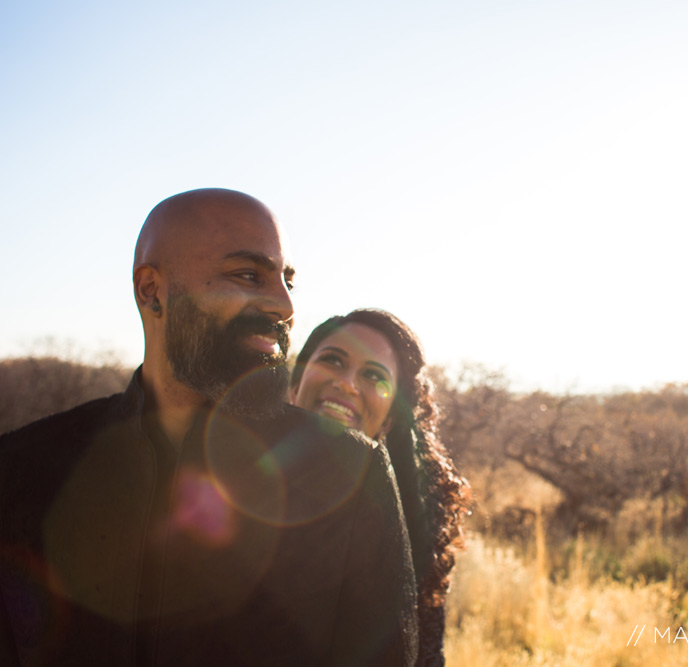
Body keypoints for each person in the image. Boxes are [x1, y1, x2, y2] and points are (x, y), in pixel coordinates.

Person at [0, 189, 417, 665]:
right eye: (247, 275)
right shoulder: (22, 471)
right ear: (151, 290)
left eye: (287, 281)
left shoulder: (349, 473)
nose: (284, 305)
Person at [291, 309, 470, 667]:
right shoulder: (224, 485)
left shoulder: (410, 534)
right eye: (332, 360)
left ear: (390, 417)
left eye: (373, 375)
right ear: (295, 382)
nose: (347, 384)